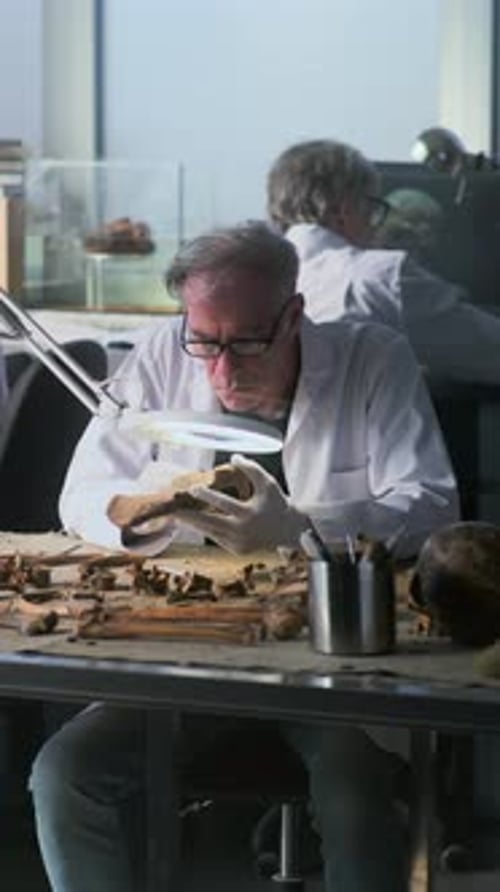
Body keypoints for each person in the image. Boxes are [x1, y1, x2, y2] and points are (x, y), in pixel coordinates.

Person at [30, 222, 458, 892]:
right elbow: (81, 494)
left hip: (329, 659)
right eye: (204, 341)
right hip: (189, 651)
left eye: (246, 342)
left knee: (354, 797)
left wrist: (301, 527)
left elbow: (431, 504)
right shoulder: (161, 355)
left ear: (294, 314)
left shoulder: (372, 358)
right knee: (66, 776)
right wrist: (147, 514)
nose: (222, 368)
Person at [267, 138, 500, 384]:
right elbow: (490, 350)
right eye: (373, 208)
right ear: (344, 210)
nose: (376, 226)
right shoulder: (381, 276)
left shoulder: (264, 279)